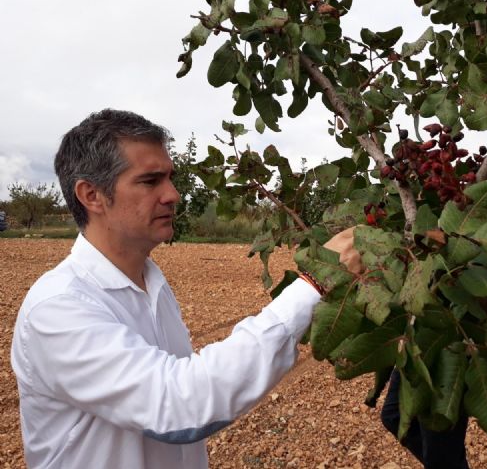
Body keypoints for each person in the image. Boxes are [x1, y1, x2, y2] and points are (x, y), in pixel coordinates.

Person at [11, 109, 362, 469]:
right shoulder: (58, 308)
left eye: (170, 178)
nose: (173, 194)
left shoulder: (152, 284)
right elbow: (178, 406)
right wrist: (314, 284)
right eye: (150, 181)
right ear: (92, 195)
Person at [381, 369, 470, 469]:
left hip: (445, 365)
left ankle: (442, 461)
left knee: (439, 452)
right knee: (394, 415)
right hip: (413, 360)